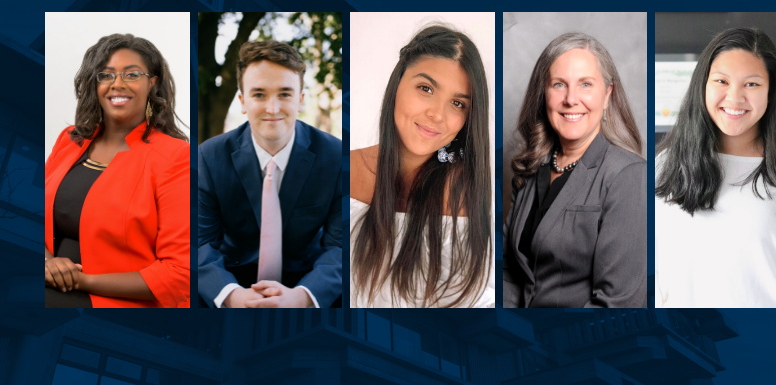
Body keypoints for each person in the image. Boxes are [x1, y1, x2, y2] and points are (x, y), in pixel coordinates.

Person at [349, 25, 494, 308]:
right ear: (398, 84)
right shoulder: (345, 170)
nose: (437, 114)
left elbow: (475, 301)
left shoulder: (463, 191)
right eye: (425, 88)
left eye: (457, 103)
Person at [655, 28, 776, 308]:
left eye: (752, 84)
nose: (734, 98)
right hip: (689, 347)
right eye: (722, 81)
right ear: (702, 85)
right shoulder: (663, 167)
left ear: (771, 92)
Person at [44, 33, 190, 308]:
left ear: (152, 83)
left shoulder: (176, 157)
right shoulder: (69, 140)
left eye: (132, 74)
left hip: (117, 302)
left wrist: (77, 280)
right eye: (106, 75)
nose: (117, 85)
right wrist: (47, 264)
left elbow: (180, 275)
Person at [503, 32, 646, 308]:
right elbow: (510, 271)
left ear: (607, 95)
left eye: (585, 84)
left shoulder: (627, 176)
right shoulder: (529, 169)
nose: (570, 99)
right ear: (543, 93)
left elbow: (617, 303)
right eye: (559, 84)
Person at [198, 40, 342, 308]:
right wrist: (230, 295)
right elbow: (199, 243)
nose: (273, 109)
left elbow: (341, 248)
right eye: (259, 94)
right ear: (242, 101)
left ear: (300, 100)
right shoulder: (209, 157)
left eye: (285, 94)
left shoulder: (335, 157)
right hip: (232, 278)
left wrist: (303, 297)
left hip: (307, 281)